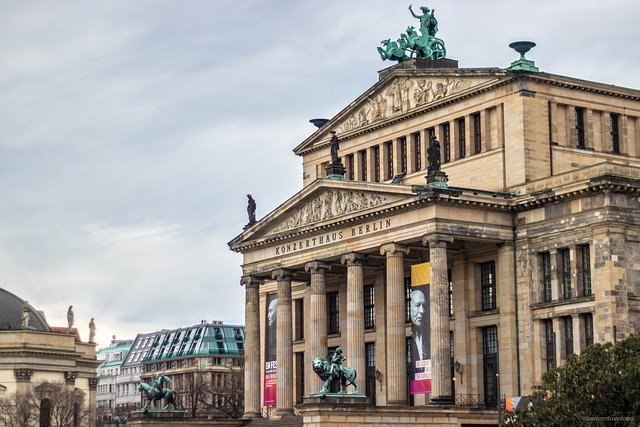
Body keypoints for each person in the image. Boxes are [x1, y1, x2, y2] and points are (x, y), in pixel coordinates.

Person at [410, 289, 429, 361]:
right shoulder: (411, 338)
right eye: (418, 305)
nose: (422, 311)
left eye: (423, 306)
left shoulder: (428, 335)